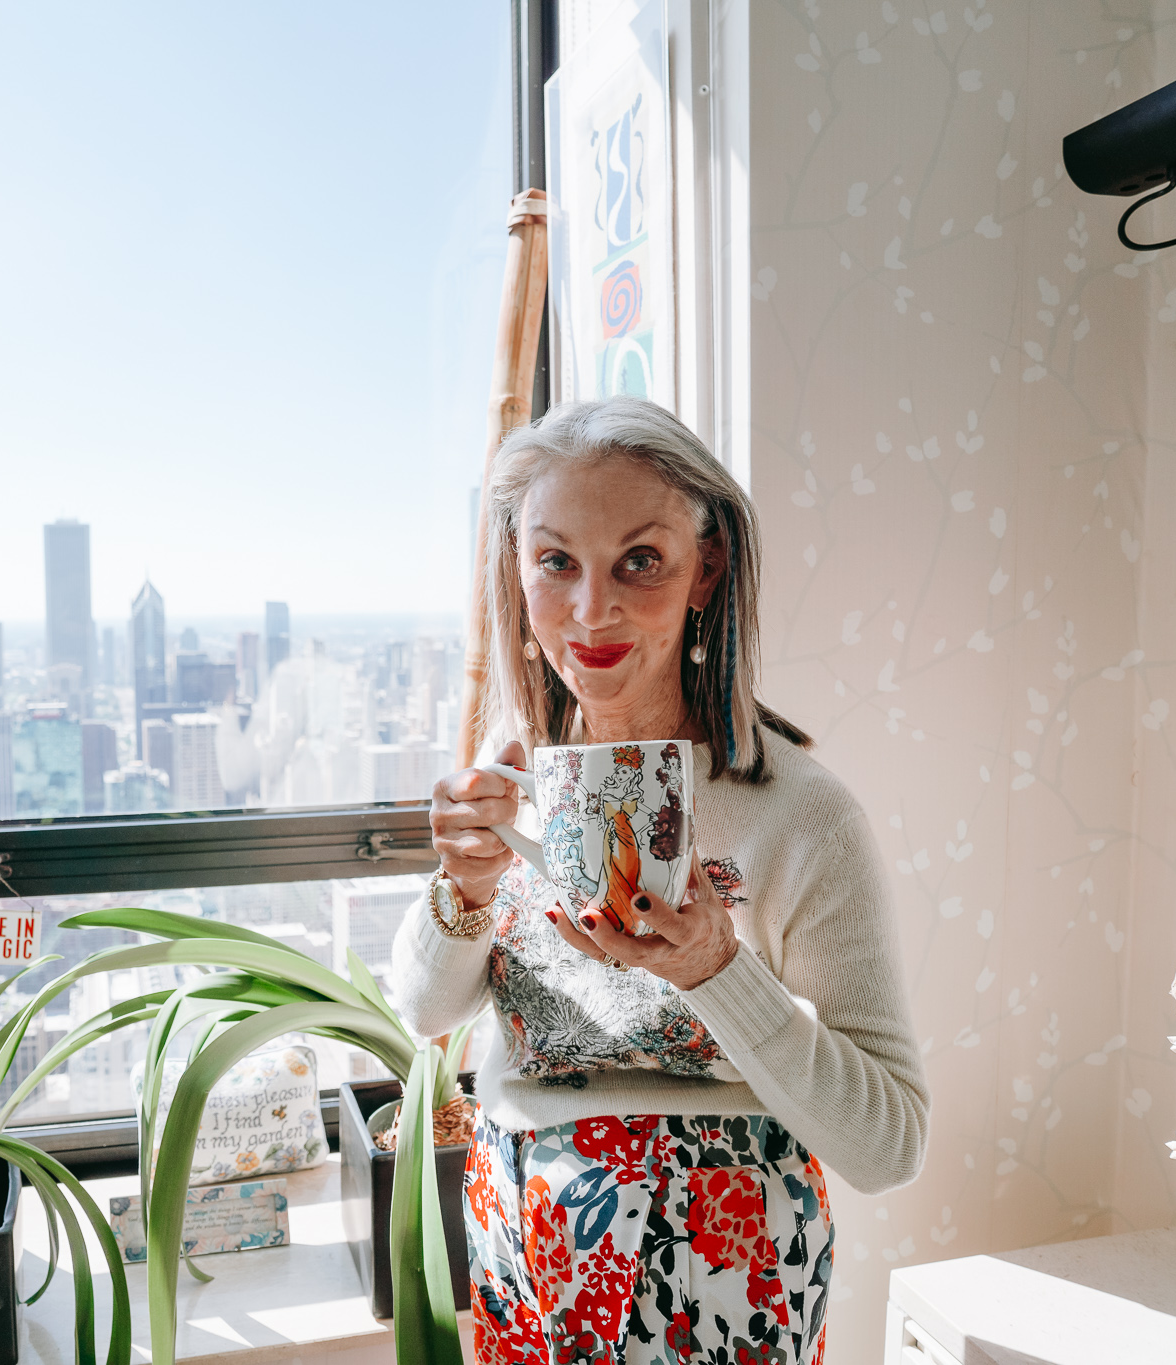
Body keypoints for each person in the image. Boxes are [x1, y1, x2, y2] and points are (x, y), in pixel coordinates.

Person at [393, 396, 926, 1365]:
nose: (588, 610)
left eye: (637, 561)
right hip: (528, 1255)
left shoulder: (800, 816)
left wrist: (719, 969)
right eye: (555, 562)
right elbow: (422, 1009)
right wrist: (460, 891)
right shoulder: (509, 780)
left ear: (705, 568)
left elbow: (889, 1144)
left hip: (723, 1268)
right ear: (517, 566)